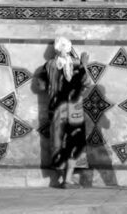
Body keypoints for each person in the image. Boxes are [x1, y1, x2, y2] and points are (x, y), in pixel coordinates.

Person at [38, 35, 91, 188]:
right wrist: (84, 64)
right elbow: (87, 82)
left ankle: (62, 179)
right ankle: (68, 179)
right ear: (69, 47)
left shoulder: (48, 65)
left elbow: (40, 86)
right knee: (74, 142)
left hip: (56, 111)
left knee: (58, 142)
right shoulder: (77, 64)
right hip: (75, 110)